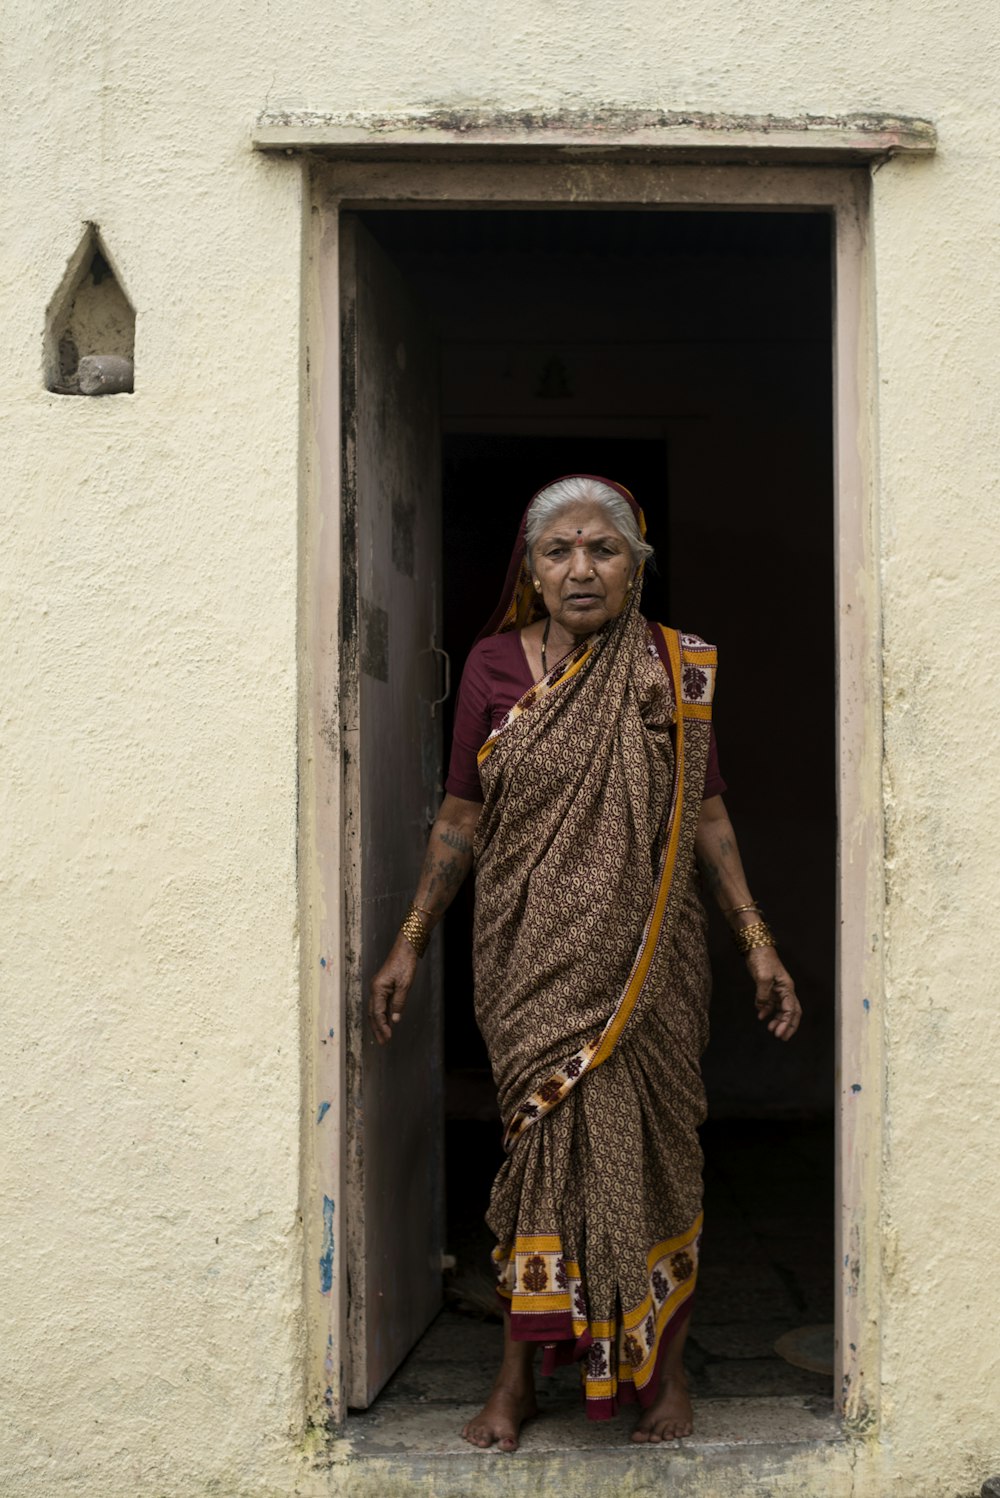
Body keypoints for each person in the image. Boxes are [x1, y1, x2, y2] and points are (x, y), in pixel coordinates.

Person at [369, 474, 802, 1452]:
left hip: (651, 968)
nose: (579, 567)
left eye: (601, 549)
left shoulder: (671, 668)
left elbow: (706, 812)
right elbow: (460, 818)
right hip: (529, 963)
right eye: (557, 550)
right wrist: (406, 943)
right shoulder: (489, 667)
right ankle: (516, 1379)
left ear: (635, 564)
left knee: (654, 1158)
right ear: (529, 567)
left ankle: (667, 1374)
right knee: (536, 1161)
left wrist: (757, 940)